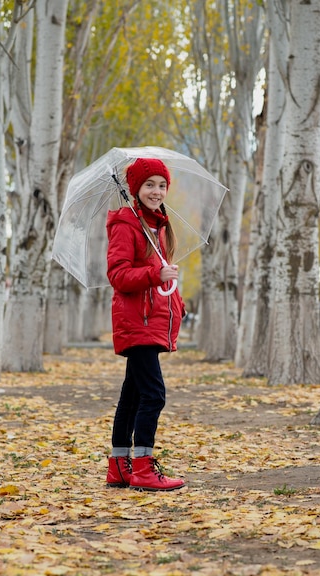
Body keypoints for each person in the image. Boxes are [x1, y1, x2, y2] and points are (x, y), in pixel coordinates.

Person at [105, 157, 186, 491]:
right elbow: (118, 275)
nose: (157, 191)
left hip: (148, 321)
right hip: (136, 322)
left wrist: (172, 293)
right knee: (154, 395)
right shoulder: (127, 224)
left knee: (134, 395)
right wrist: (156, 273)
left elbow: (153, 277)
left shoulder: (158, 226)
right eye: (149, 184)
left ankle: (119, 466)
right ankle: (142, 468)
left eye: (162, 185)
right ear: (135, 188)